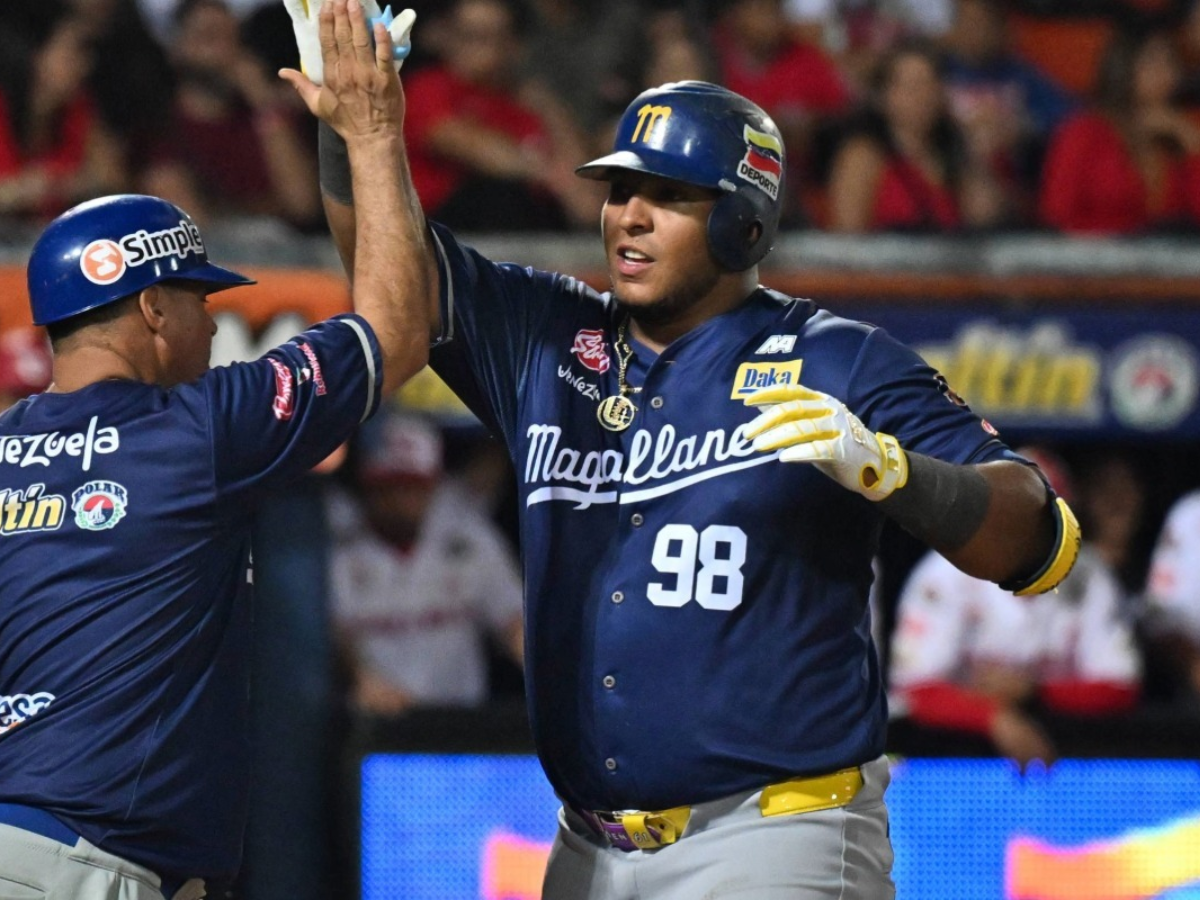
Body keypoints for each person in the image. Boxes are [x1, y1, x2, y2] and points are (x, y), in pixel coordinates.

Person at [296, 6, 1080, 885]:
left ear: (744, 222)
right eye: (619, 191)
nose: (629, 216)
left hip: (773, 832)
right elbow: (391, 276)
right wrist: (354, 133)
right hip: (586, 847)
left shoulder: (838, 358)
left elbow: (1042, 542)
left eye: (668, 196)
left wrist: (894, 474)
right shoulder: (545, 336)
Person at [0, 3, 428, 897]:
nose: (211, 320)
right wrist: (370, 133)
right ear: (153, 309)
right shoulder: (196, 429)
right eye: (198, 298)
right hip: (83, 864)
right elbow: (397, 330)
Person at [888, 447, 1140, 769]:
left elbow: (1121, 688)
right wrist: (995, 718)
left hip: (1064, 753)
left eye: (1047, 518)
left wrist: (1034, 691)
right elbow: (913, 691)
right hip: (950, 759)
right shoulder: (945, 574)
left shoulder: (1089, 575)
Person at [328, 405, 524, 717]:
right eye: (391, 486)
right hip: (378, 725)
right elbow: (330, 635)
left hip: (463, 721)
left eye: (414, 486)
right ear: (368, 485)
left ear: (433, 484)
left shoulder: (465, 534)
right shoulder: (338, 545)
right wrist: (359, 677)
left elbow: (512, 620)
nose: (403, 500)